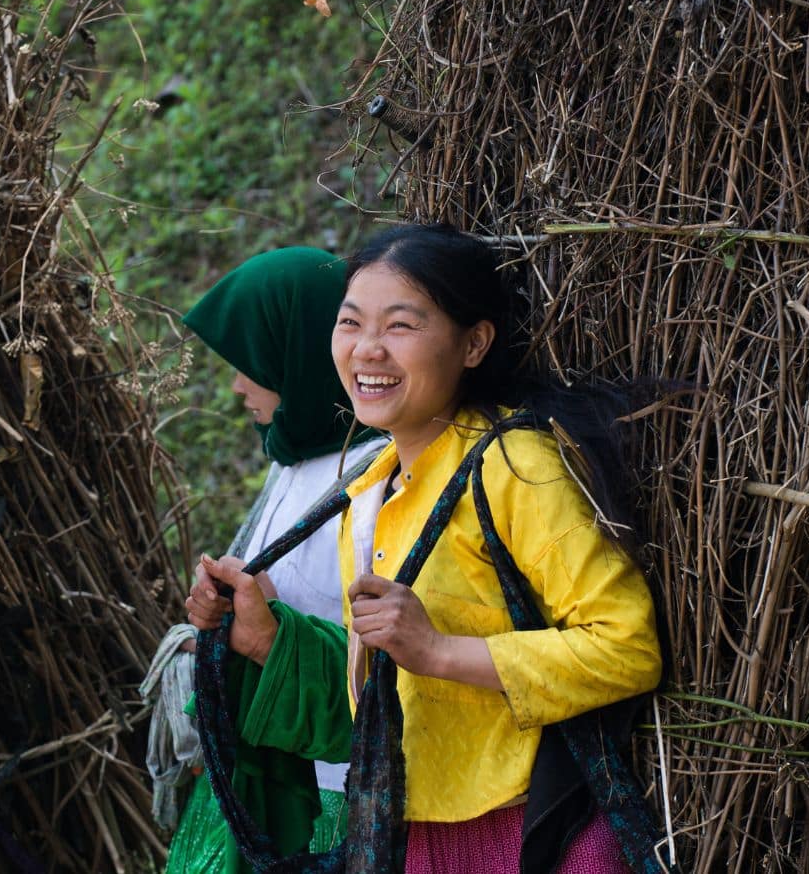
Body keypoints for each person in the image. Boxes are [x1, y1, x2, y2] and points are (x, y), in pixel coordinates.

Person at [186, 225, 666, 873]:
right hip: (412, 834)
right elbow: (382, 698)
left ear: (474, 344)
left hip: (525, 833)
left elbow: (627, 648)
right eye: (350, 323)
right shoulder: (370, 486)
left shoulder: (514, 466)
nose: (368, 351)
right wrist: (262, 633)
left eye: (402, 327)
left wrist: (439, 650)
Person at [146, 248, 387, 872]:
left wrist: (268, 634)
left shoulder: (378, 482)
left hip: (330, 795)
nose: (236, 387)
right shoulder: (295, 461)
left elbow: (393, 650)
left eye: (251, 365)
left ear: (298, 356)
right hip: (270, 770)